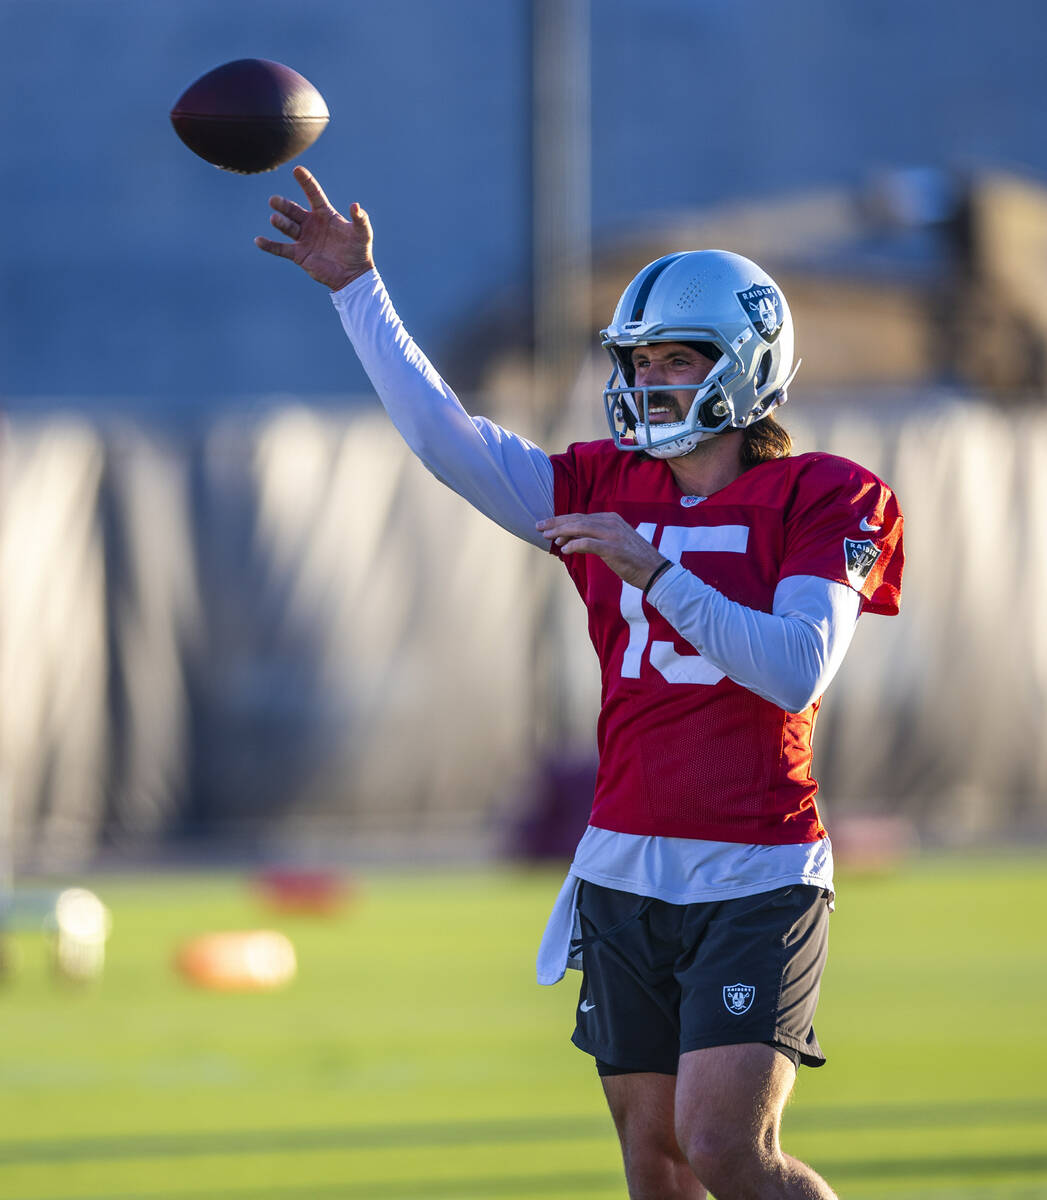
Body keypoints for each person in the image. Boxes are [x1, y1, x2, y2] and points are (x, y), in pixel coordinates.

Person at [256, 166, 904, 1200]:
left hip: (756, 866)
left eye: (677, 360)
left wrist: (654, 569)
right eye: (638, 361)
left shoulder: (826, 493)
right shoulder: (606, 481)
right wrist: (355, 289)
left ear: (746, 369)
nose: (648, 382)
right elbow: (445, 440)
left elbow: (793, 671)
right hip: (625, 862)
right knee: (655, 1166)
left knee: (728, 1148)